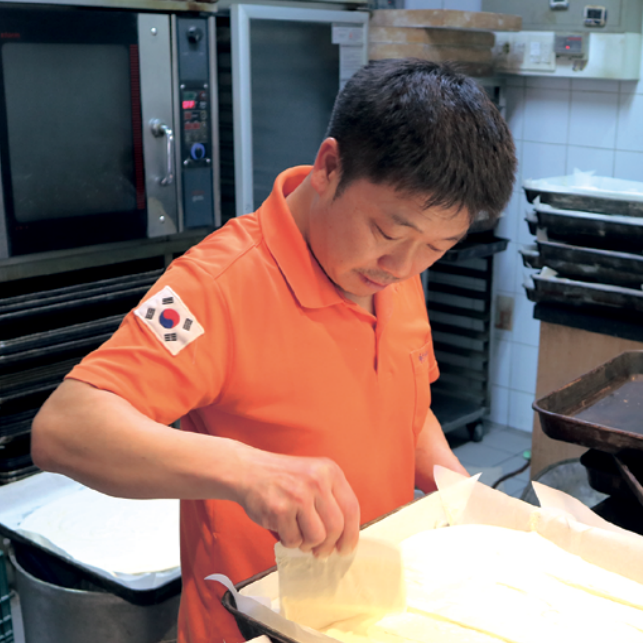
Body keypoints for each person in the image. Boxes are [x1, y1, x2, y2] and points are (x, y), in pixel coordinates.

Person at [30, 58, 517, 643]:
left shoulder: (389, 270)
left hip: (371, 614)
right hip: (253, 626)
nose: (405, 267)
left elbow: (403, 401)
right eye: (389, 234)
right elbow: (64, 428)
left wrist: (452, 485)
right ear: (329, 167)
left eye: (438, 246)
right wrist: (247, 471)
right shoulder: (215, 288)